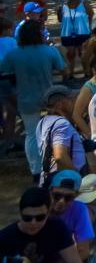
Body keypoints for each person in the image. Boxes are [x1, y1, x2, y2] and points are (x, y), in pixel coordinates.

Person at [0, 24, 64, 181]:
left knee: (31, 134)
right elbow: (63, 69)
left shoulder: (14, 54)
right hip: (48, 101)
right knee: (50, 133)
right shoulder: (49, 51)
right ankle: (51, 165)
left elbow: (3, 70)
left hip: (26, 101)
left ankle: (36, 170)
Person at [0, 187, 83, 263]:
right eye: (27, 218)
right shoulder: (4, 238)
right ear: (20, 215)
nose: (33, 223)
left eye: (40, 217)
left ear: (48, 214)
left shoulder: (57, 228)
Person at [36, 87, 87, 186]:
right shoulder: (62, 124)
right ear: (60, 104)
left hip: (54, 180)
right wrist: (77, 180)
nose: (75, 102)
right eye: (72, 99)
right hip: (65, 183)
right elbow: (60, 156)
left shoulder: (43, 121)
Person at [46, 170, 96, 262]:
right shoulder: (40, 207)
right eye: (57, 196)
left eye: (68, 198)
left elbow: (84, 252)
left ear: (76, 196)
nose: (62, 201)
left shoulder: (80, 209)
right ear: (49, 191)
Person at [56, 0, 93, 81]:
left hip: (83, 32)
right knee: (70, 54)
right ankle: (70, 74)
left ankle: (87, 73)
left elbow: (91, 15)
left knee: (83, 54)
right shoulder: (62, 7)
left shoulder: (85, 5)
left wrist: (88, 27)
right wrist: (59, 12)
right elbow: (60, 20)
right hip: (67, 33)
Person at [0, 18, 18, 153]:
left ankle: (9, 141)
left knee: (8, 111)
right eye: (10, 29)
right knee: (20, 109)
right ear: (6, 30)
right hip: (9, 78)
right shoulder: (11, 41)